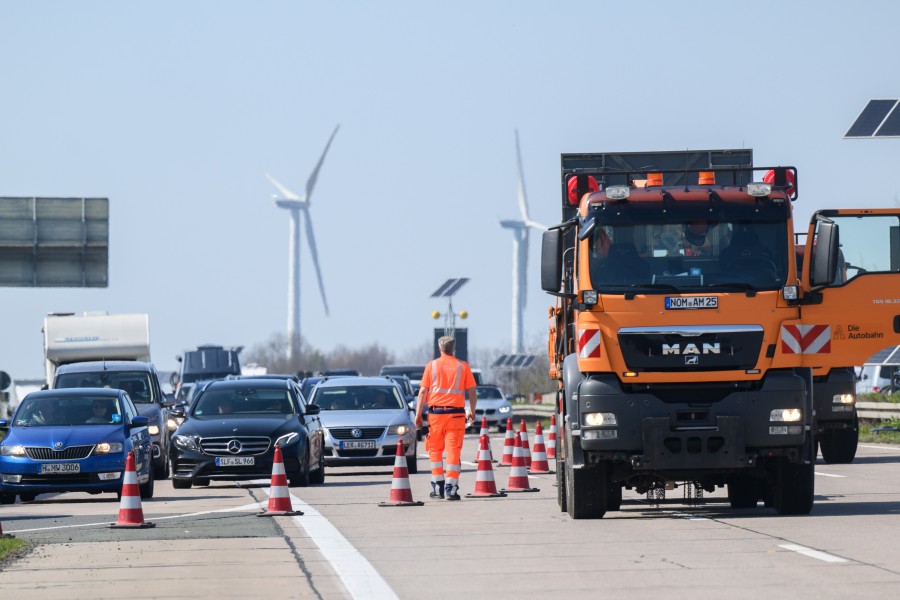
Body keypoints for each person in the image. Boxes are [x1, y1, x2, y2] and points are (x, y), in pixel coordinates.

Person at [414, 336, 477, 501]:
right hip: (456, 415)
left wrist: (418, 414)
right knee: (453, 451)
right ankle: (451, 489)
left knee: (434, 450)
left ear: (439, 348)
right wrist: (472, 410)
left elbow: (422, 392)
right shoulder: (463, 367)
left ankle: (437, 488)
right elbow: (471, 391)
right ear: (453, 348)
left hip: (435, 415)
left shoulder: (431, 366)